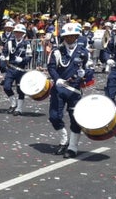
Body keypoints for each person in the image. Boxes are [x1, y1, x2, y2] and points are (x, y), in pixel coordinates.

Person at [47, 22, 92, 158]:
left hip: (75, 91)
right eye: (67, 36)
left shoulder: (84, 52)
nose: (70, 38)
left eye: (72, 36)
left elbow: (90, 69)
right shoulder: (57, 51)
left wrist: (85, 74)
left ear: (77, 36)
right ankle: (63, 139)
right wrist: (57, 79)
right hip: (59, 88)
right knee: (54, 116)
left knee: (75, 119)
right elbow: (51, 67)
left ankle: (72, 147)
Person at [1, 24, 31, 116]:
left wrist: (23, 60)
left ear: (23, 34)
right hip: (11, 68)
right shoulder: (10, 42)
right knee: (6, 86)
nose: (18, 34)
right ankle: (13, 104)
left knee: (20, 89)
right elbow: (5, 52)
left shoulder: (26, 44)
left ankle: (19, 108)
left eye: (20, 33)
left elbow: (30, 57)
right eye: (16, 32)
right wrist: (3, 56)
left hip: (21, 70)